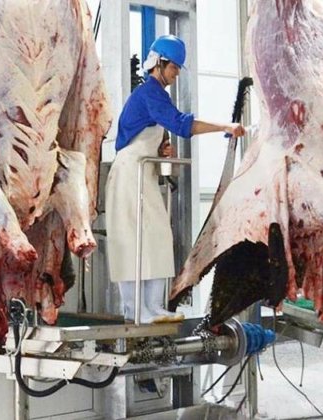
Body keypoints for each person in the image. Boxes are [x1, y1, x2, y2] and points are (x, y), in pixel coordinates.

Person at [105, 35, 245, 323]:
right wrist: (225, 126)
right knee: (135, 239)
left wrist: (160, 148)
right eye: (174, 67)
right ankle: (136, 310)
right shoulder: (149, 92)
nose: (176, 73)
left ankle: (152, 307)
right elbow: (182, 124)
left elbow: (149, 130)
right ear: (159, 63)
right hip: (130, 174)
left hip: (141, 172)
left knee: (154, 236)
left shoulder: (155, 94)